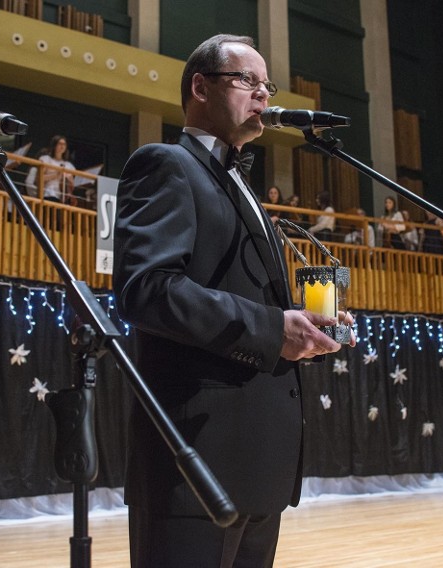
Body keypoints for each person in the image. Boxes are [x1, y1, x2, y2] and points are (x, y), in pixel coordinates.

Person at [113, 34, 354, 567]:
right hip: (196, 459)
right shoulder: (165, 164)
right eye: (248, 81)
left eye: (267, 85)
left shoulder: (246, 186)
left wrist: (309, 329)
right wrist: (273, 329)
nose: (264, 95)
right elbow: (146, 289)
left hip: (259, 462)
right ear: (200, 86)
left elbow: (251, 303)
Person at [30, 135, 75, 203]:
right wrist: (56, 174)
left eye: (64, 144)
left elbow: (71, 185)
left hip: (62, 197)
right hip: (47, 193)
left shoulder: (69, 165)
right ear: (54, 145)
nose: (62, 146)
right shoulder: (45, 159)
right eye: (60, 143)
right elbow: (39, 178)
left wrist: (69, 179)